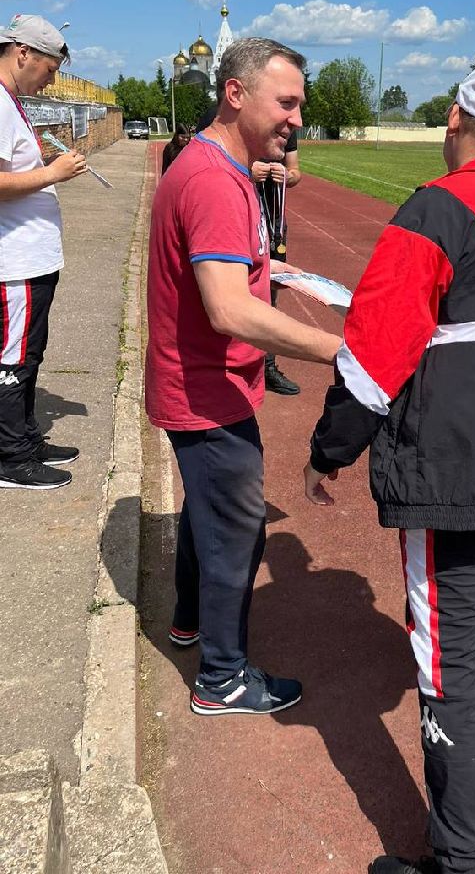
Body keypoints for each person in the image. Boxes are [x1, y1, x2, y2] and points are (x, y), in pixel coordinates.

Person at [303, 66, 475, 874]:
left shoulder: (439, 206)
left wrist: (329, 449)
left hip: (453, 470)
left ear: (455, 117)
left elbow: (373, 351)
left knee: (448, 667)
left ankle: (460, 859)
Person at [145, 37, 342, 715]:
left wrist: (275, 269)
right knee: (237, 531)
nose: (297, 119)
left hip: (204, 386)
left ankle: (189, 621)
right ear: (236, 93)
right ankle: (222, 678)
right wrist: (340, 352)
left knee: (210, 518)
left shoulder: (224, 168)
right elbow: (227, 308)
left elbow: (228, 272)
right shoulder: (213, 179)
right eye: (286, 102)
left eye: (300, 106)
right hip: (204, 392)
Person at [0, 14, 88, 490]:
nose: (51, 79)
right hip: (13, 264)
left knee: (29, 356)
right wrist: (52, 175)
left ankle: (25, 439)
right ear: (23, 54)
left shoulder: (10, 102)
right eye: (50, 68)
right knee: (13, 360)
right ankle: (10, 457)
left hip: (31, 261)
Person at [251, 132, 303, 395]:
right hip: (239, 220)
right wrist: (247, 170)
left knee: (270, 293)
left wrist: (287, 175)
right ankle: (231, 366)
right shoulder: (216, 117)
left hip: (273, 226)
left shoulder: (286, 130)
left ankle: (267, 367)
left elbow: (296, 172)